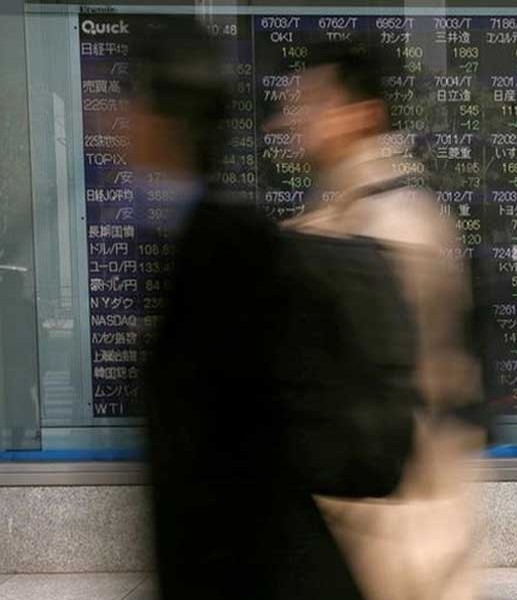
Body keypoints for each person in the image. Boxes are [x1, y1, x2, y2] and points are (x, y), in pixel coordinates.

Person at [135, 19, 418, 600]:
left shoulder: (235, 248)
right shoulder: (243, 235)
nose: (288, 120)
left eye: (309, 102)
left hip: (347, 555)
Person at [274, 42, 485, 600]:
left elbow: (386, 384)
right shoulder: (337, 211)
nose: (293, 119)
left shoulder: (393, 221)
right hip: (361, 518)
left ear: (362, 113)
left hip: (397, 528)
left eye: (313, 103)